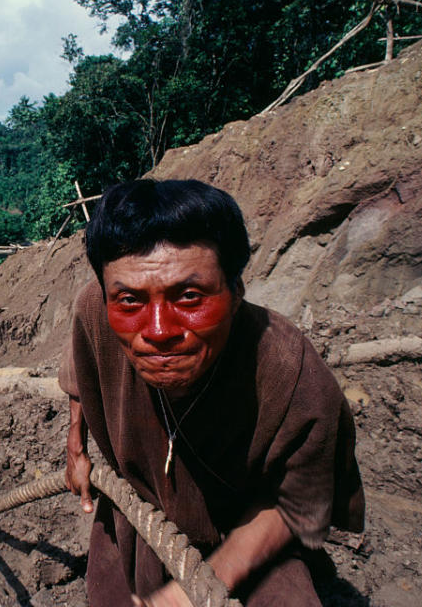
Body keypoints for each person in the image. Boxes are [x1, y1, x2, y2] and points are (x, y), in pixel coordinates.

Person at [60, 179, 364, 607]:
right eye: (130, 302)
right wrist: (76, 446)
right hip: (137, 508)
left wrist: (192, 592)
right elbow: (79, 369)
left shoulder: (288, 368)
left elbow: (297, 503)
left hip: (246, 532)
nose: (159, 331)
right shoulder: (95, 309)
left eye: (189, 296)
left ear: (235, 291)